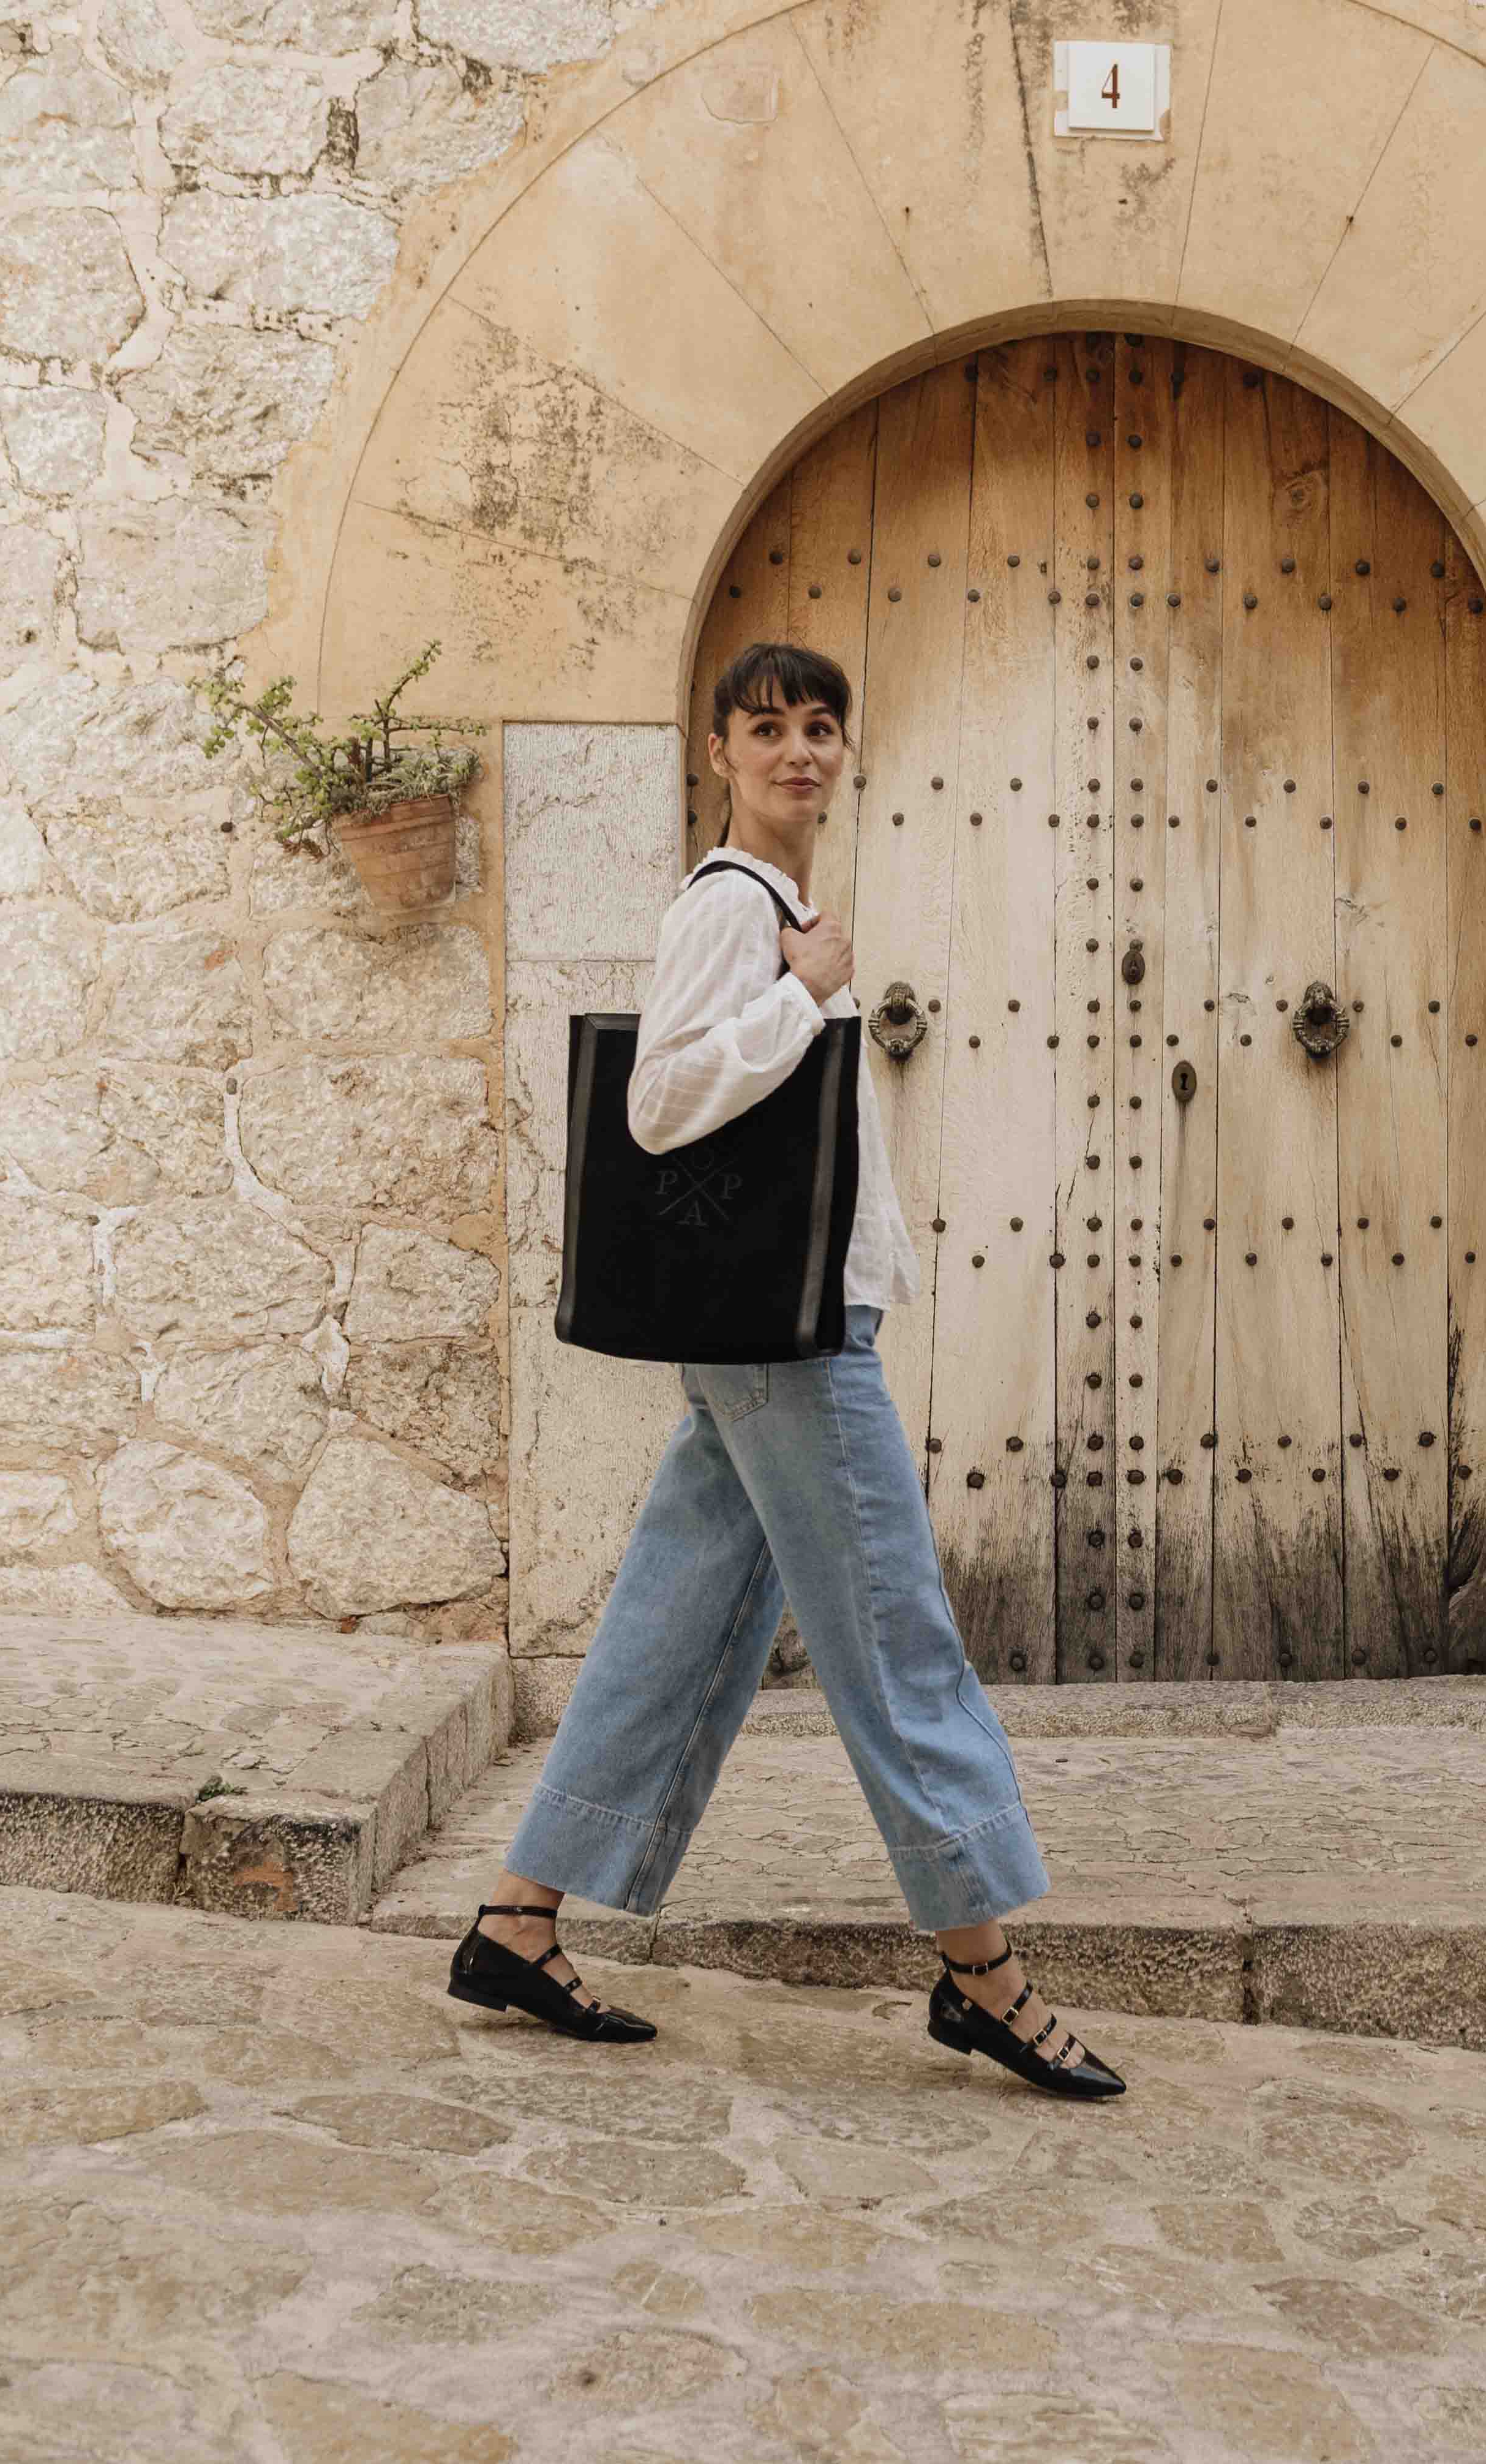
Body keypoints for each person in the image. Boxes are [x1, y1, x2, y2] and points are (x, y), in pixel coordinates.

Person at [446, 641, 1126, 2102]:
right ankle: (980, 1972)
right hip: (787, 1343)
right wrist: (798, 990)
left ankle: (518, 1915)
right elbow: (657, 1102)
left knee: (679, 1614)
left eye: (821, 726)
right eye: (769, 727)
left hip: (792, 1327)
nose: (800, 750)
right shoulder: (729, 908)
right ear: (718, 750)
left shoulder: (783, 906)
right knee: (895, 1631)